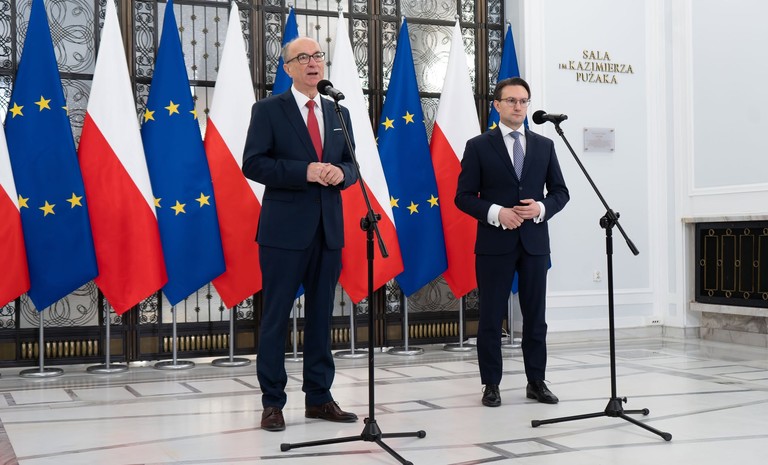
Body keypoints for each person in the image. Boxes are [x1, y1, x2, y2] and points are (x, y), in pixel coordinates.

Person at [242, 36, 359, 432]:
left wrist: (341, 173)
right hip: (283, 233)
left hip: (328, 230)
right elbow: (253, 164)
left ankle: (319, 398)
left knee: (322, 318)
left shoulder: (338, 110)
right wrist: (304, 171)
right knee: (276, 317)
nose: (313, 63)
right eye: (303, 57)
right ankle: (272, 402)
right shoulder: (268, 110)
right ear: (288, 67)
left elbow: (352, 165)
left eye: (318, 56)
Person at [455, 77, 570, 407]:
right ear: (497, 105)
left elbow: (560, 192)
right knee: (491, 317)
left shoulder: (545, 146)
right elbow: (463, 197)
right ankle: (491, 384)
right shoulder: (478, 146)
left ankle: (537, 381)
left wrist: (541, 208)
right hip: (494, 244)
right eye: (511, 101)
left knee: (536, 317)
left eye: (523, 101)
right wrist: (497, 213)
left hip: (534, 243)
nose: (518, 106)